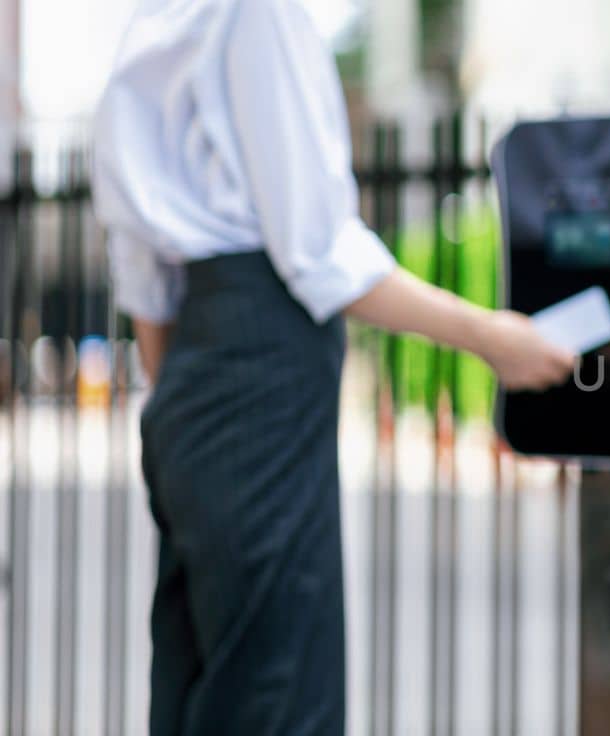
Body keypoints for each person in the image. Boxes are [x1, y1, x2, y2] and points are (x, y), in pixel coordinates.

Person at [92, 0, 577, 733]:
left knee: (200, 682)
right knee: (278, 693)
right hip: (261, 363)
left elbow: (142, 276)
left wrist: (187, 403)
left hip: (192, 376)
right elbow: (321, 256)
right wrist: (491, 336)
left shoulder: (154, 21)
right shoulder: (259, 12)